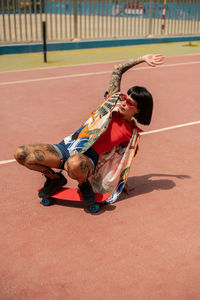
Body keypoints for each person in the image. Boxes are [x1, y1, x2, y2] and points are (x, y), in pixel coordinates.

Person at [14, 54, 164, 205]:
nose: (124, 102)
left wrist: (119, 182)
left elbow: (123, 161)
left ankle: (83, 185)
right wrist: (143, 59)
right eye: (125, 98)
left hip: (87, 159)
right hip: (68, 145)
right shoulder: (112, 103)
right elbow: (118, 69)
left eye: (129, 102)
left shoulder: (131, 133)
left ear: (139, 110)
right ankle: (55, 179)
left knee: (74, 164)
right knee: (21, 154)